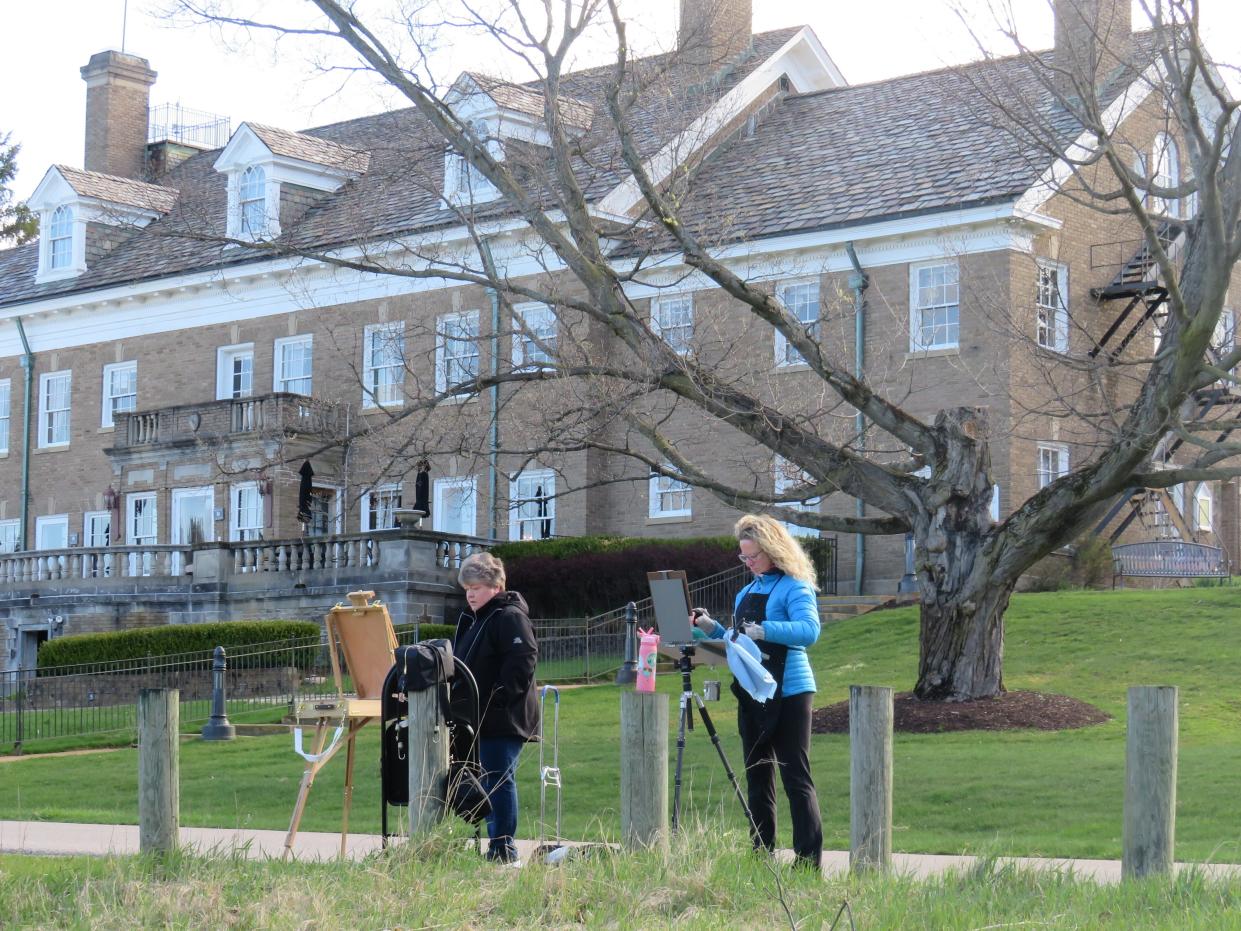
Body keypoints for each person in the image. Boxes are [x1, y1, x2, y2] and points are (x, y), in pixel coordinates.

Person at [692, 514, 823, 870]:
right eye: (743, 558)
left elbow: (810, 631)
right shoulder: (745, 591)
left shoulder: (795, 587)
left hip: (790, 690)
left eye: (754, 557)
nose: (748, 564)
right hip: (752, 690)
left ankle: (808, 862)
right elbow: (738, 639)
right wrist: (710, 628)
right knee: (757, 773)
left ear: (773, 550)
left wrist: (765, 630)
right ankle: (760, 854)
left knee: (795, 775)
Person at [452, 551, 539, 864]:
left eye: (477, 586)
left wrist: (499, 699)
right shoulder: (475, 620)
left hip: (504, 716)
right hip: (478, 716)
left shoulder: (509, 616)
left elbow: (523, 661)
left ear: (496, 587)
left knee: (498, 779)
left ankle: (503, 846)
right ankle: (495, 844)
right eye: (467, 588)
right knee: (486, 779)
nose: (471, 593)